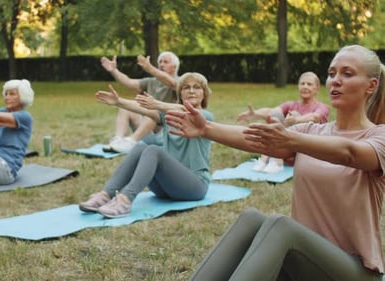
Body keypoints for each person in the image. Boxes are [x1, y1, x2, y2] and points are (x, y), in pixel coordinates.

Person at [165, 45, 385, 280]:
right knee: (251, 219)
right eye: (332, 74)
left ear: (371, 85)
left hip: (353, 271)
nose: (335, 81)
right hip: (302, 261)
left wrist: (293, 138)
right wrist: (206, 128)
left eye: (347, 74)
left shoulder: (378, 136)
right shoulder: (310, 131)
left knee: (282, 226)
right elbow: (258, 141)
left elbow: (350, 153)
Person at [79, 72, 213, 218]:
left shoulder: (206, 117)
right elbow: (143, 108)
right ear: (180, 93)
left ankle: (124, 201)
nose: (191, 91)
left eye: (197, 87)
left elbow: (189, 112)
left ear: (204, 94)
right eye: (186, 87)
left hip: (194, 188)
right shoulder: (169, 116)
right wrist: (119, 102)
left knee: (154, 150)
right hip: (166, 189)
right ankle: (105, 195)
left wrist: (158, 104)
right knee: (140, 147)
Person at [236, 71, 330, 173]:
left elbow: (315, 117)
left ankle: (276, 160)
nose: (305, 87)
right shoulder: (291, 104)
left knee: (294, 115)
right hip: (291, 147)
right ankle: (268, 158)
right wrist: (255, 114)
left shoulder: (322, 107)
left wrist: (296, 120)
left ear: (317, 88)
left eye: (309, 84)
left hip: (308, 148)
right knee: (276, 114)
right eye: (302, 83)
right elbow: (271, 112)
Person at [100, 52, 180, 153]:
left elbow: (172, 83)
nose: (161, 64)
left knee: (152, 110)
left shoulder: (180, 82)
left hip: (166, 134)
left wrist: (150, 68)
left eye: (165, 62)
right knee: (125, 108)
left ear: (174, 67)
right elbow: (129, 82)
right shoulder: (151, 81)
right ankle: (118, 140)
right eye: (160, 62)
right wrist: (114, 70)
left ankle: (131, 142)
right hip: (147, 131)